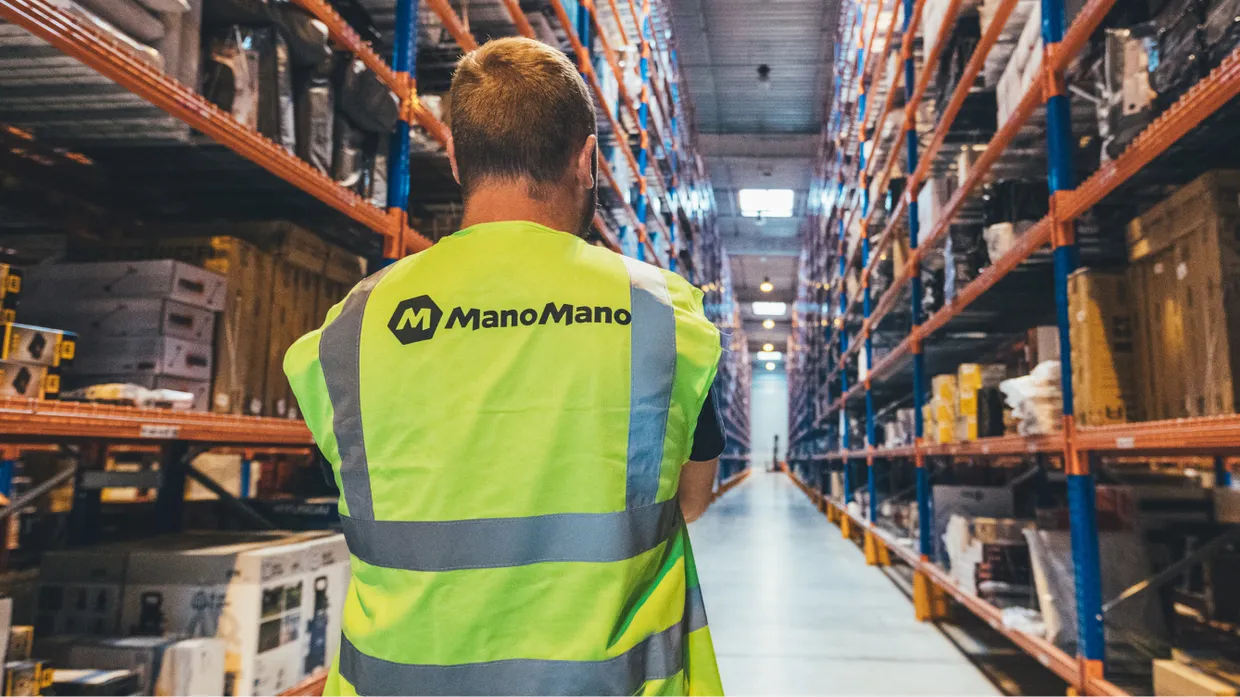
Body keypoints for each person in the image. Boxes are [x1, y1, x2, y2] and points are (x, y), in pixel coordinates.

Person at [285, 36, 726, 696]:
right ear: (587, 159)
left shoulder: (353, 327)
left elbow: (357, 502)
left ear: (457, 157)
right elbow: (690, 500)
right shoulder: (663, 317)